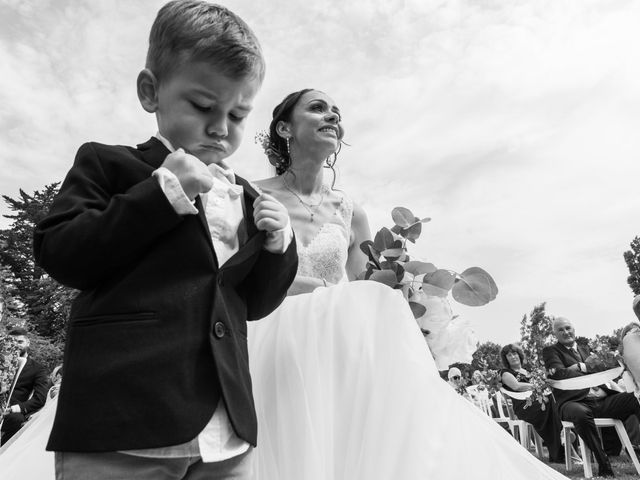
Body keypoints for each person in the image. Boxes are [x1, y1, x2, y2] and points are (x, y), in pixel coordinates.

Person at [30, 1, 298, 479]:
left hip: (226, 433)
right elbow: (60, 251)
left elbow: (250, 304)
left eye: (238, 114)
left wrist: (279, 249)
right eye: (202, 106)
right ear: (151, 91)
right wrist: (160, 194)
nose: (220, 128)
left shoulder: (250, 197)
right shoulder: (109, 164)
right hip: (124, 421)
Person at [247, 88, 569, 479]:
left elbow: (367, 285)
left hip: (335, 345)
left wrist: (411, 296)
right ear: (285, 128)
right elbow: (240, 274)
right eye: (318, 109)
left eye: (336, 111)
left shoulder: (350, 210)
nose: (332, 116)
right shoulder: (254, 194)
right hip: (270, 332)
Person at [543, 316, 640, 477]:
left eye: (568, 328)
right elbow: (560, 373)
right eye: (561, 330)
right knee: (581, 414)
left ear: (573, 328)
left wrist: (579, 366)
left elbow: (605, 367)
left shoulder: (586, 349)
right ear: (555, 334)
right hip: (572, 402)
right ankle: (603, 464)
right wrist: (587, 366)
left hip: (601, 400)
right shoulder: (551, 351)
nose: (566, 332)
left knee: (634, 399)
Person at [500, 343, 564, 463]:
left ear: (519, 355)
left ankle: (561, 446)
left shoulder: (528, 371)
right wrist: (537, 386)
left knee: (556, 402)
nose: (513, 357)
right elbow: (516, 386)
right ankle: (561, 440)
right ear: (506, 358)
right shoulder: (505, 373)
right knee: (549, 402)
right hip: (524, 406)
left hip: (539, 401)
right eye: (509, 355)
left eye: (514, 353)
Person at [0, 327, 49, 446]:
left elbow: (40, 398)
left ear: (28, 342)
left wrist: (13, 409)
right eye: (12, 342)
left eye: (20, 342)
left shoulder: (37, 369)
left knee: (17, 420)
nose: (16, 345)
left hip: (11, 413)